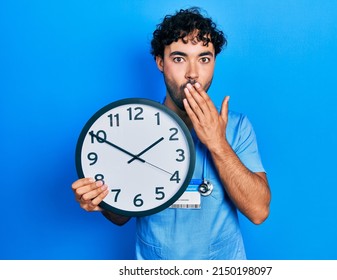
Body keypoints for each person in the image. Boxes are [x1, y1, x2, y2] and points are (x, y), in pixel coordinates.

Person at [71, 7, 271, 260]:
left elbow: (258, 211)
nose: (192, 73)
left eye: (204, 58)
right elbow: (120, 217)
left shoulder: (238, 126)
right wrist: (100, 201)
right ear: (160, 62)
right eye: (179, 58)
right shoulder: (134, 127)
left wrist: (217, 143)